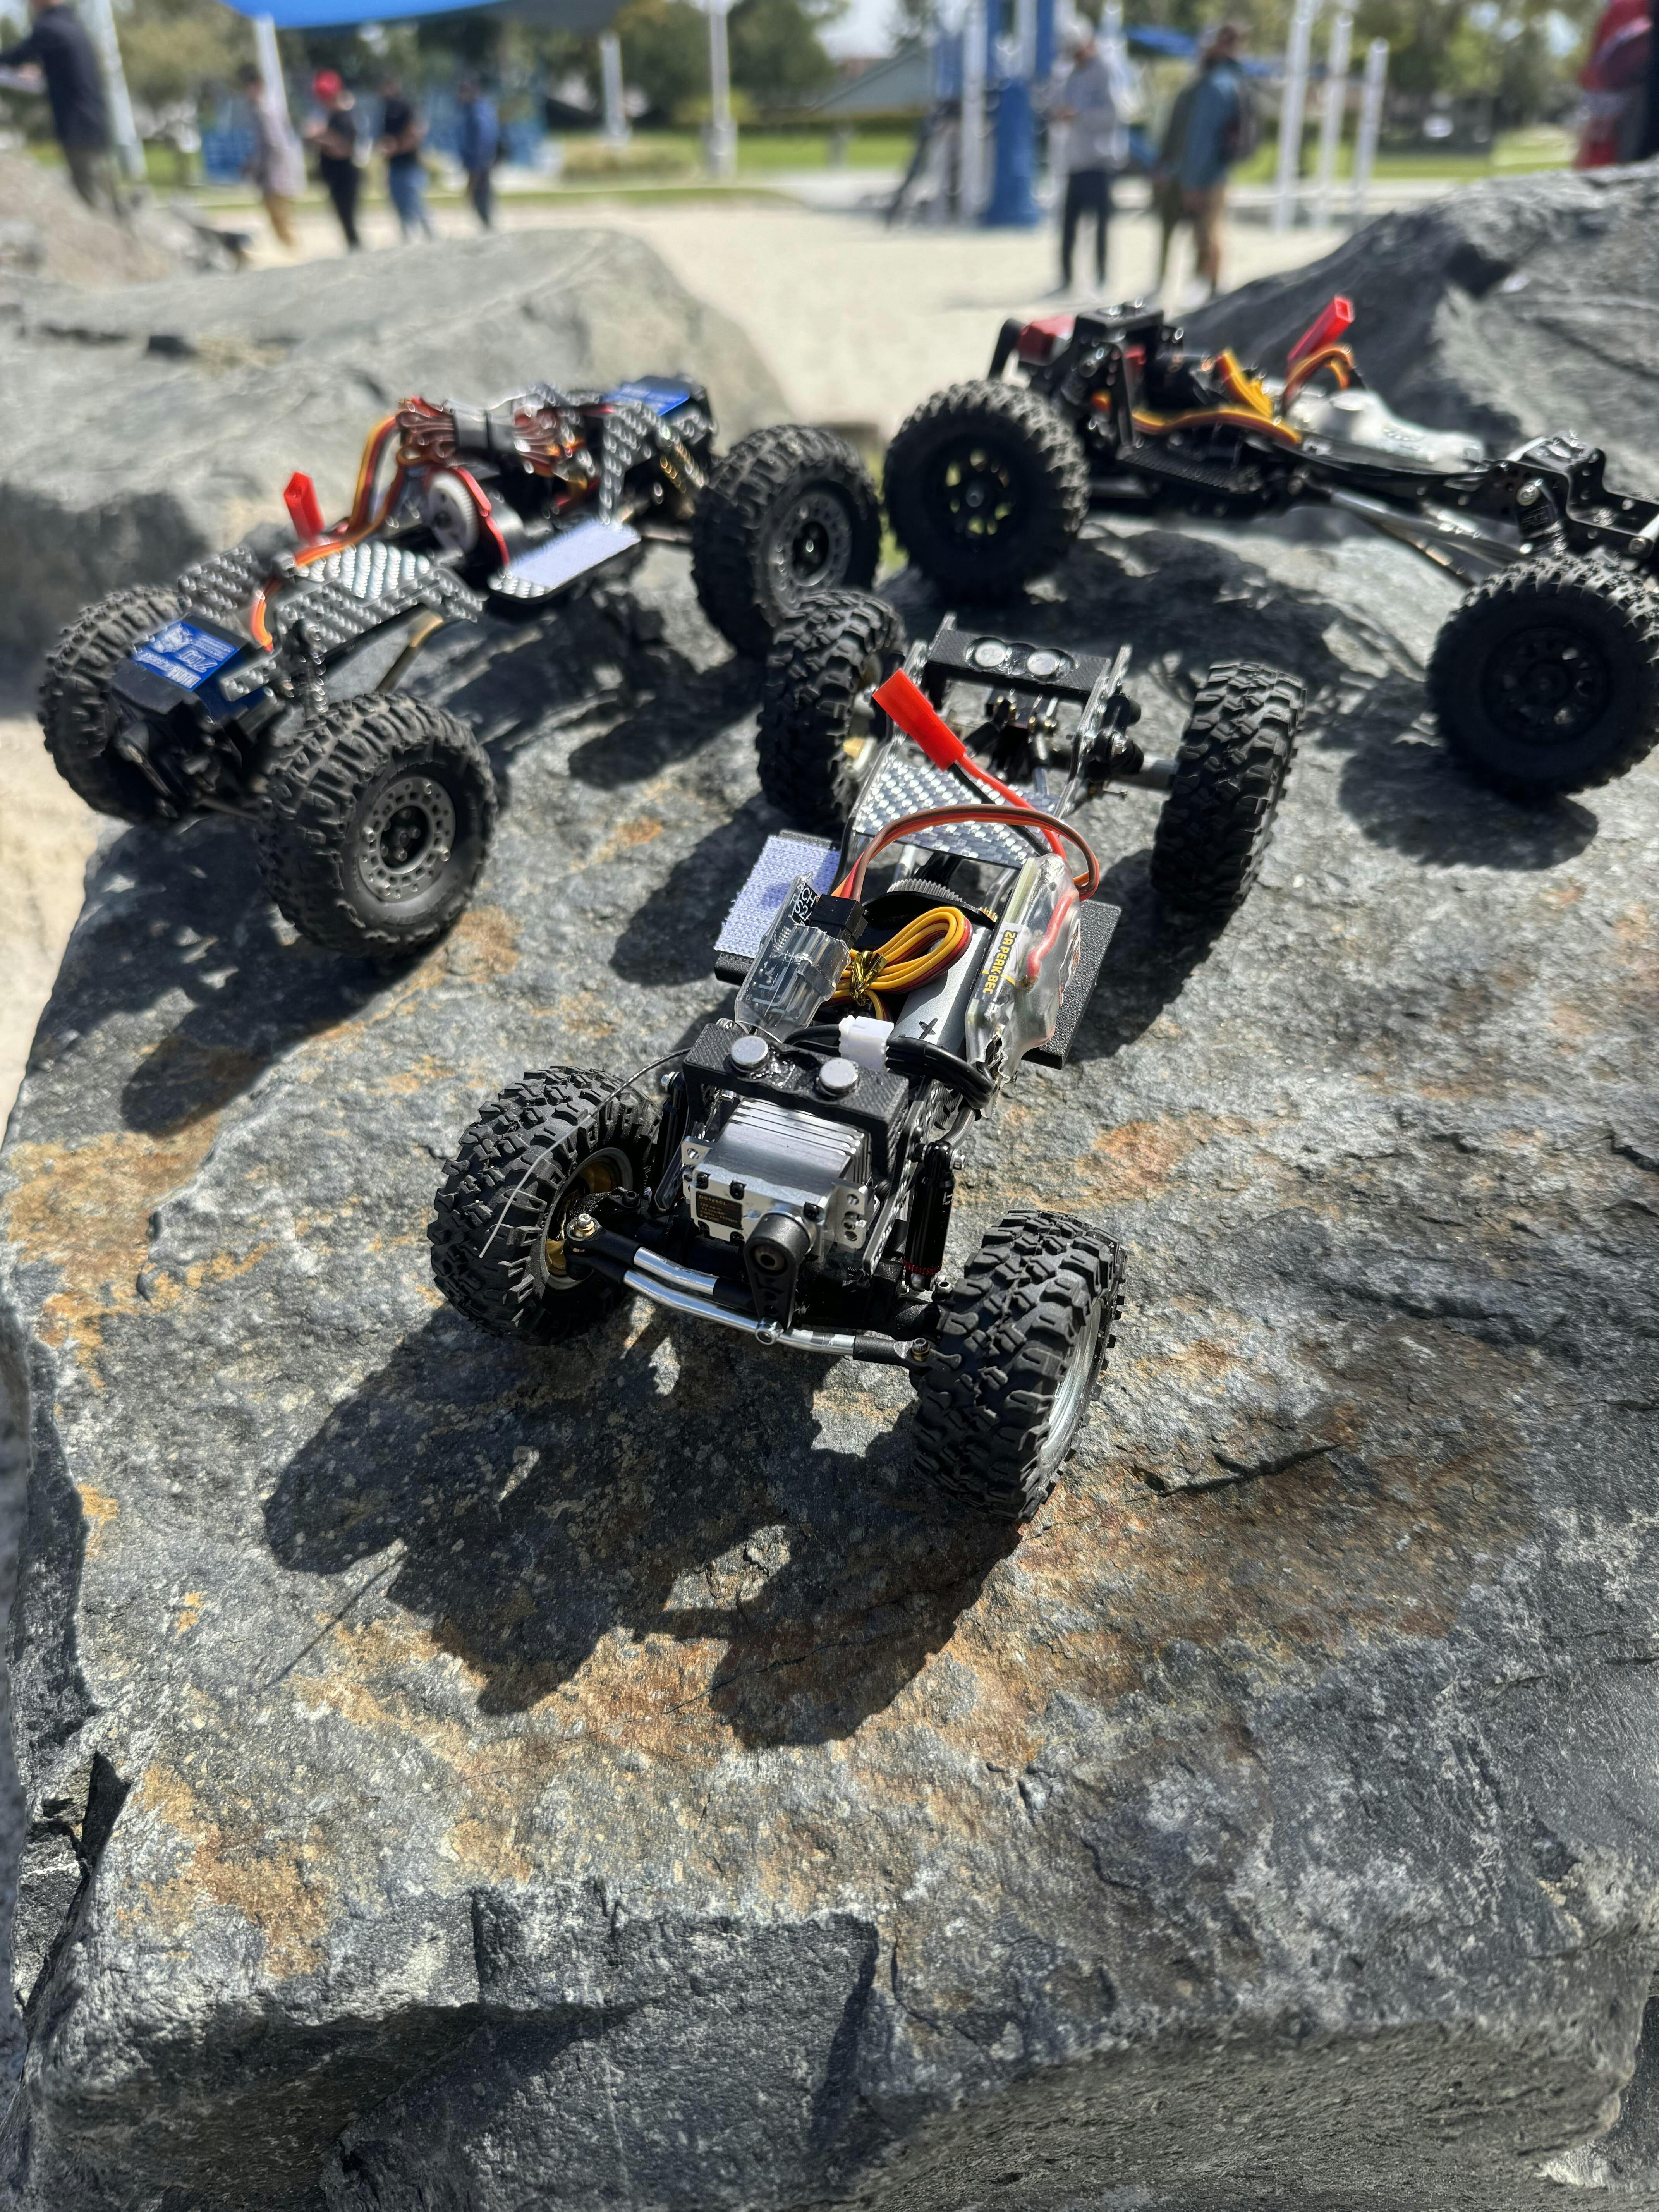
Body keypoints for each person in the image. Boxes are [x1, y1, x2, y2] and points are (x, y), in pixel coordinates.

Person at [1154, 22, 1254, 303]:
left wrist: (1193, 183)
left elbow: (1202, 139)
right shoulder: (1225, 80)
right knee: (1205, 233)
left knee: (1207, 235)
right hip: (1205, 173)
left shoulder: (1216, 85)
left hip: (1204, 177)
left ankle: (1210, 291)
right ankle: (1206, 289)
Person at [0, 0, 115, 213]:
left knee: (92, 199)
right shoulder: (73, 25)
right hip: (95, 124)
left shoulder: (50, 27)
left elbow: (16, 56)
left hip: (77, 127)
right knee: (105, 194)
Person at [1050, 26, 1127, 295]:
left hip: (1099, 162)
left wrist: (1080, 116)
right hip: (1075, 161)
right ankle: (1066, 279)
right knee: (1069, 225)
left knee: (1101, 225)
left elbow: (1114, 116)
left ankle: (1102, 278)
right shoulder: (1069, 75)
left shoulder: (1106, 72)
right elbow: (1055, 107)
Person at [238, 60, 304, 252]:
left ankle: (297, 254)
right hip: (275, 175)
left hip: (276, 176)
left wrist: (256, 167)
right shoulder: (264, 109)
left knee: (281, 222)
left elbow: (274, 145)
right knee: (280, 222)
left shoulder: (265, 111)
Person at [305, 70, 361, 251]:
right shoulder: (329, 118)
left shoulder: (344, 118)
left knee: (349, 219)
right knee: (343, 219)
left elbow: (344, 149)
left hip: (345, 176)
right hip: (334, 176)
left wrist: (320, 137)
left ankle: (357, 250)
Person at [378, 74, 433, 241]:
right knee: (399, 203)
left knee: (415, 202)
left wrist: (397, 147)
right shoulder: (387, 110)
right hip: (394, 165)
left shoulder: (406, 107)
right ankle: (408, 239)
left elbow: (416, 134)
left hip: (409, 164)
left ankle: (431, 236)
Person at [456, 78, 499, 230]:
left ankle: (488, 228)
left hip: (479, 163)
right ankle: (487, 226)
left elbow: (484, 139)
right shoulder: (471, 110)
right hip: (476, 161)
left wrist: (478, 163)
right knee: (479, 195)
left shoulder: (478, 112)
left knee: (480, 196)